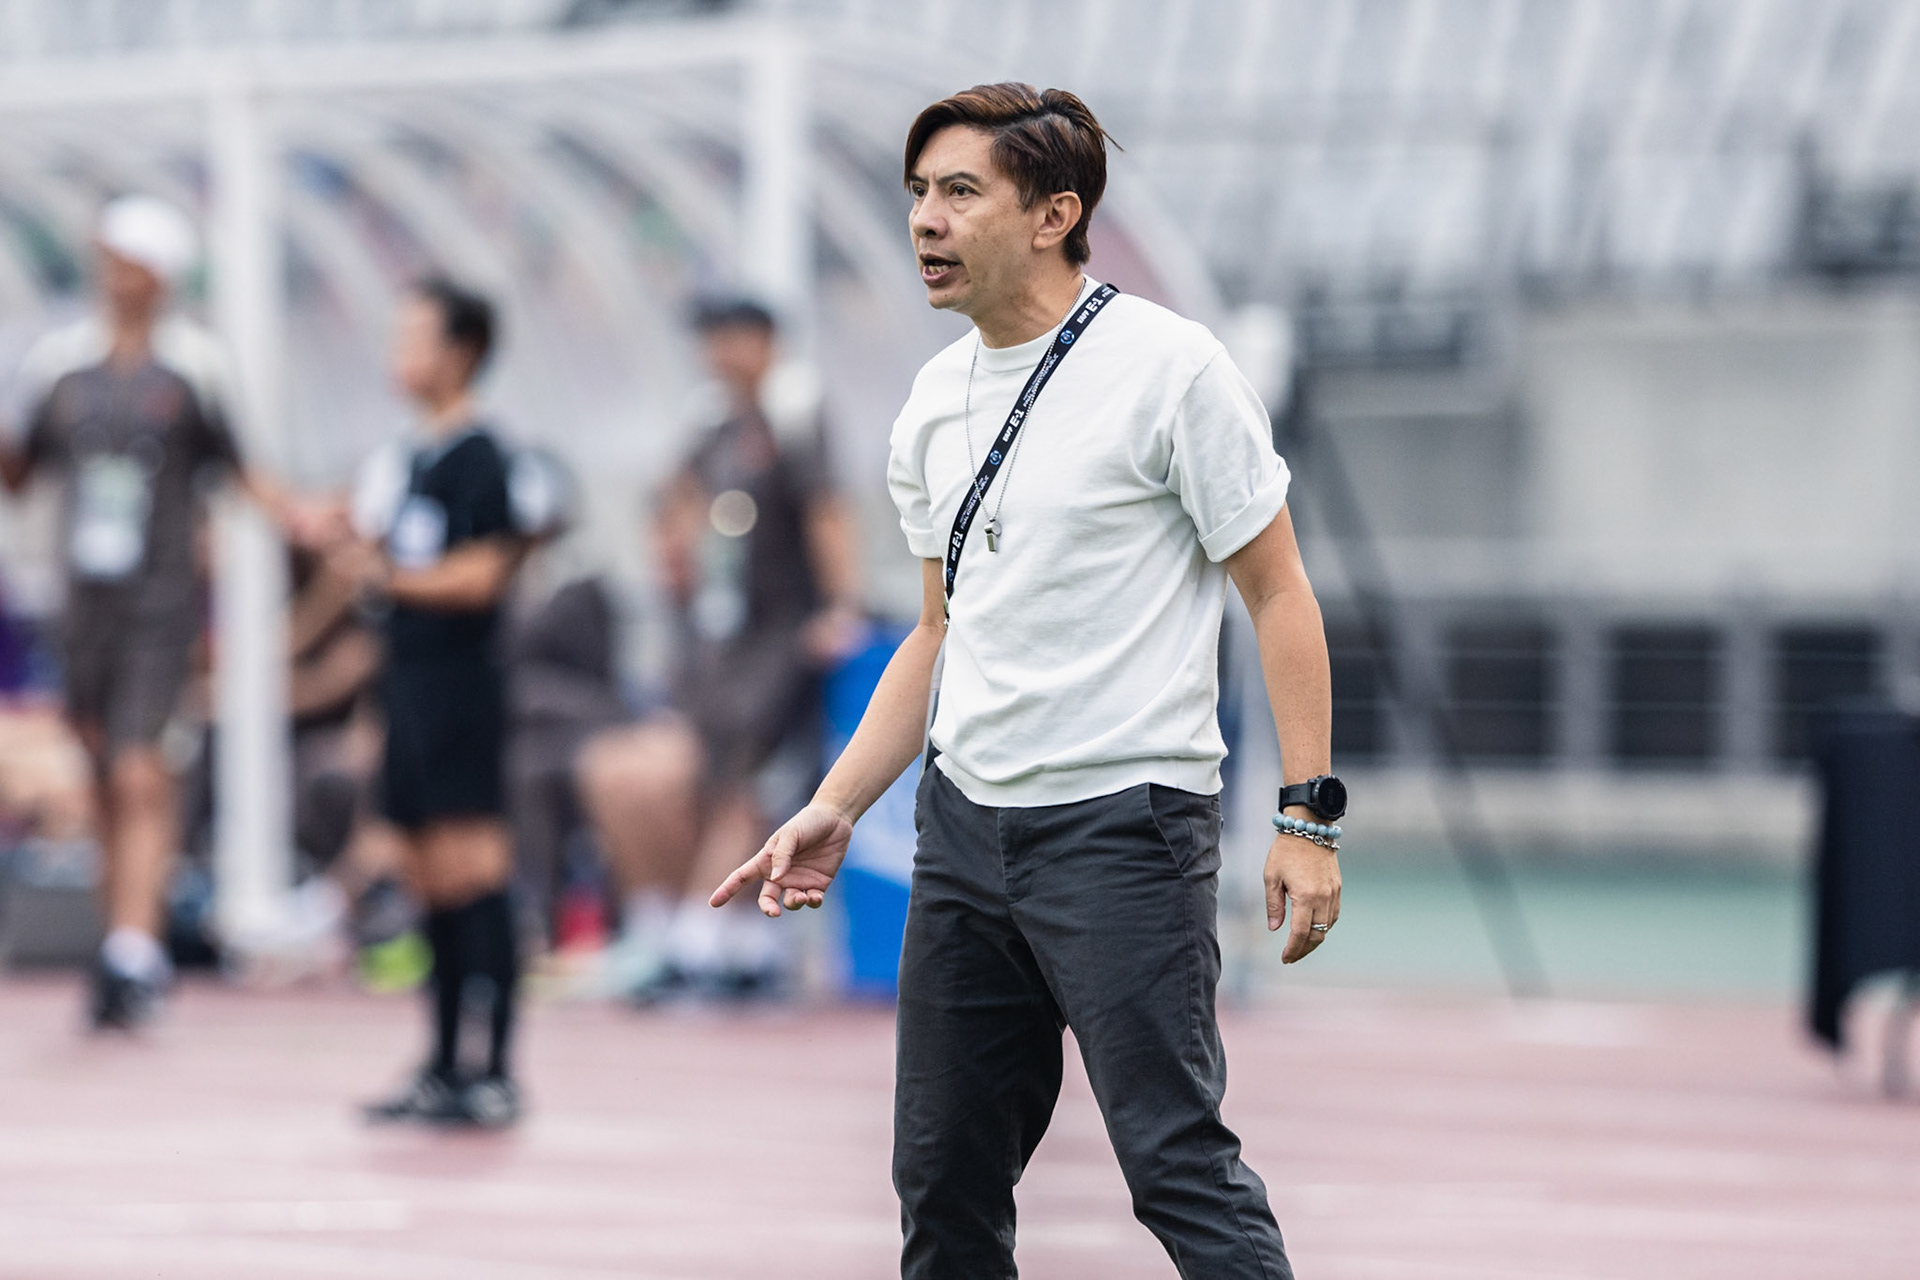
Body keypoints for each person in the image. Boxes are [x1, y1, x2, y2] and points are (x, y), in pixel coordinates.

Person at [712, 84, 1345, 1278]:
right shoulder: (928, 410)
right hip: (965, 832)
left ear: (1056, 213)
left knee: (1174, 1161)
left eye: (960, 192)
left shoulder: (1170, 367)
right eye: (917, 194)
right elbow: (938, 633)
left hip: (1124, 826)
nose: (924, 223)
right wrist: (835, 803)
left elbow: (1280, 592)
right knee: (943, 1182)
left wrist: (1306, 816)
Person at [0, 194, 303, 1030]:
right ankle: (117, 943)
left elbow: (245, 472)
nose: (114, 272)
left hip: (161, 605)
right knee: (98, 773)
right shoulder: (58, 363)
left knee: (141, 770)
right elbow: (20, 474)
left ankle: (137, 947)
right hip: (82, 603)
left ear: (158, 274)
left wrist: (307, 519)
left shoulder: (193, 366)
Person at [588, 298, 861, 1001]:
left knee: (750, 778)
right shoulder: (714, 425)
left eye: (727, 340)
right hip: (719, 639)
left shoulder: (795, 415)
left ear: (764, 341)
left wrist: (840, 607)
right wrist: (672, 549)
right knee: (690, 775)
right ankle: (685, 929)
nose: (715, 355)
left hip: (780, 634)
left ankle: (712, 936)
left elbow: (829, 510)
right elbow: (673, 500)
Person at [340, 278, 528, 1128]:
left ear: (460, 353)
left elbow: (487, 570)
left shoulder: (481, 456)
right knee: (423, 876)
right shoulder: (408, 456)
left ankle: (495, 1068)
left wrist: (392, 578)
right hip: (406, 690)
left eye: (415, 335)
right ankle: (443, 1062)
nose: (398, 351)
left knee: (473, 869)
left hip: (459, 691)